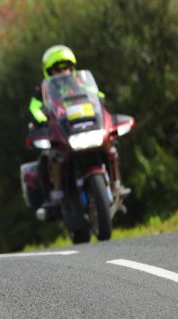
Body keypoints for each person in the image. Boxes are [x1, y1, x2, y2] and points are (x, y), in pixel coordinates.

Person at [27, 45, 128, 219]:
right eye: (57, 69)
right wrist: (41, 119)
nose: (63, 72)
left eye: (66, 67)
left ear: (72, 68)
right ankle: (49, 201)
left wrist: (101, 104)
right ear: (49, 72)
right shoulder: (42, 91)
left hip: (85, 129)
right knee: (45, 160)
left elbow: (97, 97)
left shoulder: (81, 84)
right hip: (61, 134)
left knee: (113, 147)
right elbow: (34, 108)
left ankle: (116, 187)